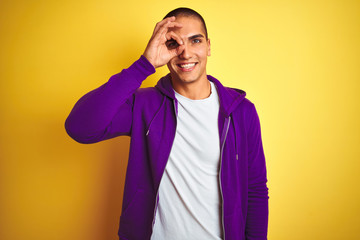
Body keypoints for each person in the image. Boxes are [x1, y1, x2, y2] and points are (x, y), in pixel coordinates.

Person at [65, 7, 269, 240]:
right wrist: (144, 64)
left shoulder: (241, 112)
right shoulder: (144, 104)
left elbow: (255, 190)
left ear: (209, 46)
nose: (185, 52)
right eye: (174, 44)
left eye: (195, 41)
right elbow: (80, 127)